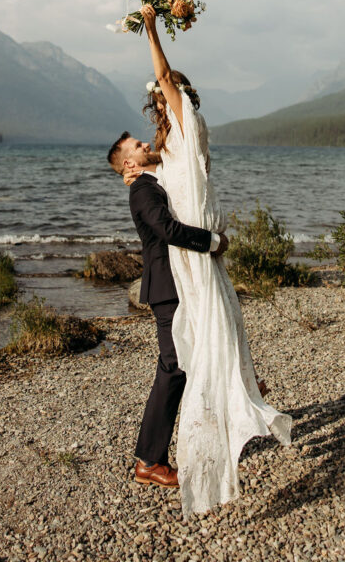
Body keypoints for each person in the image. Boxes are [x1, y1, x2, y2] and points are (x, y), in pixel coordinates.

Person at [123, 4, 292, 518]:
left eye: (165, 97)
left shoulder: (188, 125)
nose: (159, 106)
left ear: (178, 100)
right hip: (185, 262)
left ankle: (231, 393)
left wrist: (152, 29)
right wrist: (136, 169)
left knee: (196, 345)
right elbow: (159, 191)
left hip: (191, 258)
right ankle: (224, 398)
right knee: (189, 350)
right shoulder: (166, 152)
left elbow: (161, 77)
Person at [106, 131, 229, 489]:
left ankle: (234, 399)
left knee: (190, 357)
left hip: (178, 284)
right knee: (173, 367)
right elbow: (166, 228)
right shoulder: (142, 189)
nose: (146, 144)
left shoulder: (154, 178)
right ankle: (149, 461)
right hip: (167, 288)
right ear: (130, 164)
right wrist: (212, 242)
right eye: (138, 147)